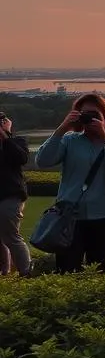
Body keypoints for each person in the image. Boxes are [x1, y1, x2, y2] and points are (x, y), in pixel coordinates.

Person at [33, 93, 105, 272]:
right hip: (70, 215)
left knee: (98, 269)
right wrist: (62, 128)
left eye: (95, 114)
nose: (90, 118)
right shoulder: (70, 139)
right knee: (66, 269)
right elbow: (42, 161)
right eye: (84, 113)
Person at [0, 110, 32, 276]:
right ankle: (5, 271)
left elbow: (21, 158)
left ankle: (26, 273)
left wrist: (5, 136)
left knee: (11, 236)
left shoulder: (17, 141)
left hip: (10, 196)